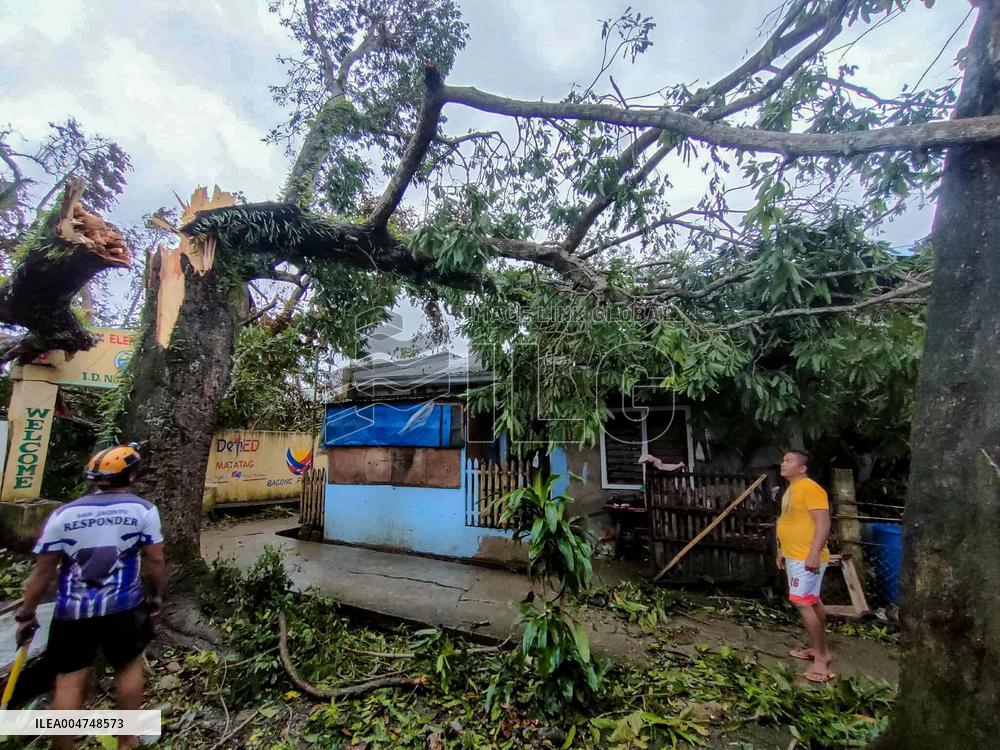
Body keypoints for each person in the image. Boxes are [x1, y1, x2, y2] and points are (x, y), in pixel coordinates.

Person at [15, 445, 166, 750]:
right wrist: (157, 595)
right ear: (133, 476)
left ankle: (63, 745)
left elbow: (41, 574)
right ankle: (128, 739)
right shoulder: (142, 511)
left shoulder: (63, 515)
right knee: (128, 668)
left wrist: (26, 614)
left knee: (69, 680)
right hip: (125, 606)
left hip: (72, 612)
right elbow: (155, 562)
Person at [775, 450, 833, 683]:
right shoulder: (792, 490)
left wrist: (813, 553)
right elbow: (791, 522)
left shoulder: (811, 488)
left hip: (805, 556)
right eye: (783, 460)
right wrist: (782, 549)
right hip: (794, 554)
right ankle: (819, 649)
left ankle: (821, 659)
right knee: (813, 600)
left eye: (789, 461)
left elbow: (823, 522)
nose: (783, 464)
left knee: (802, 602)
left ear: (802, 468)